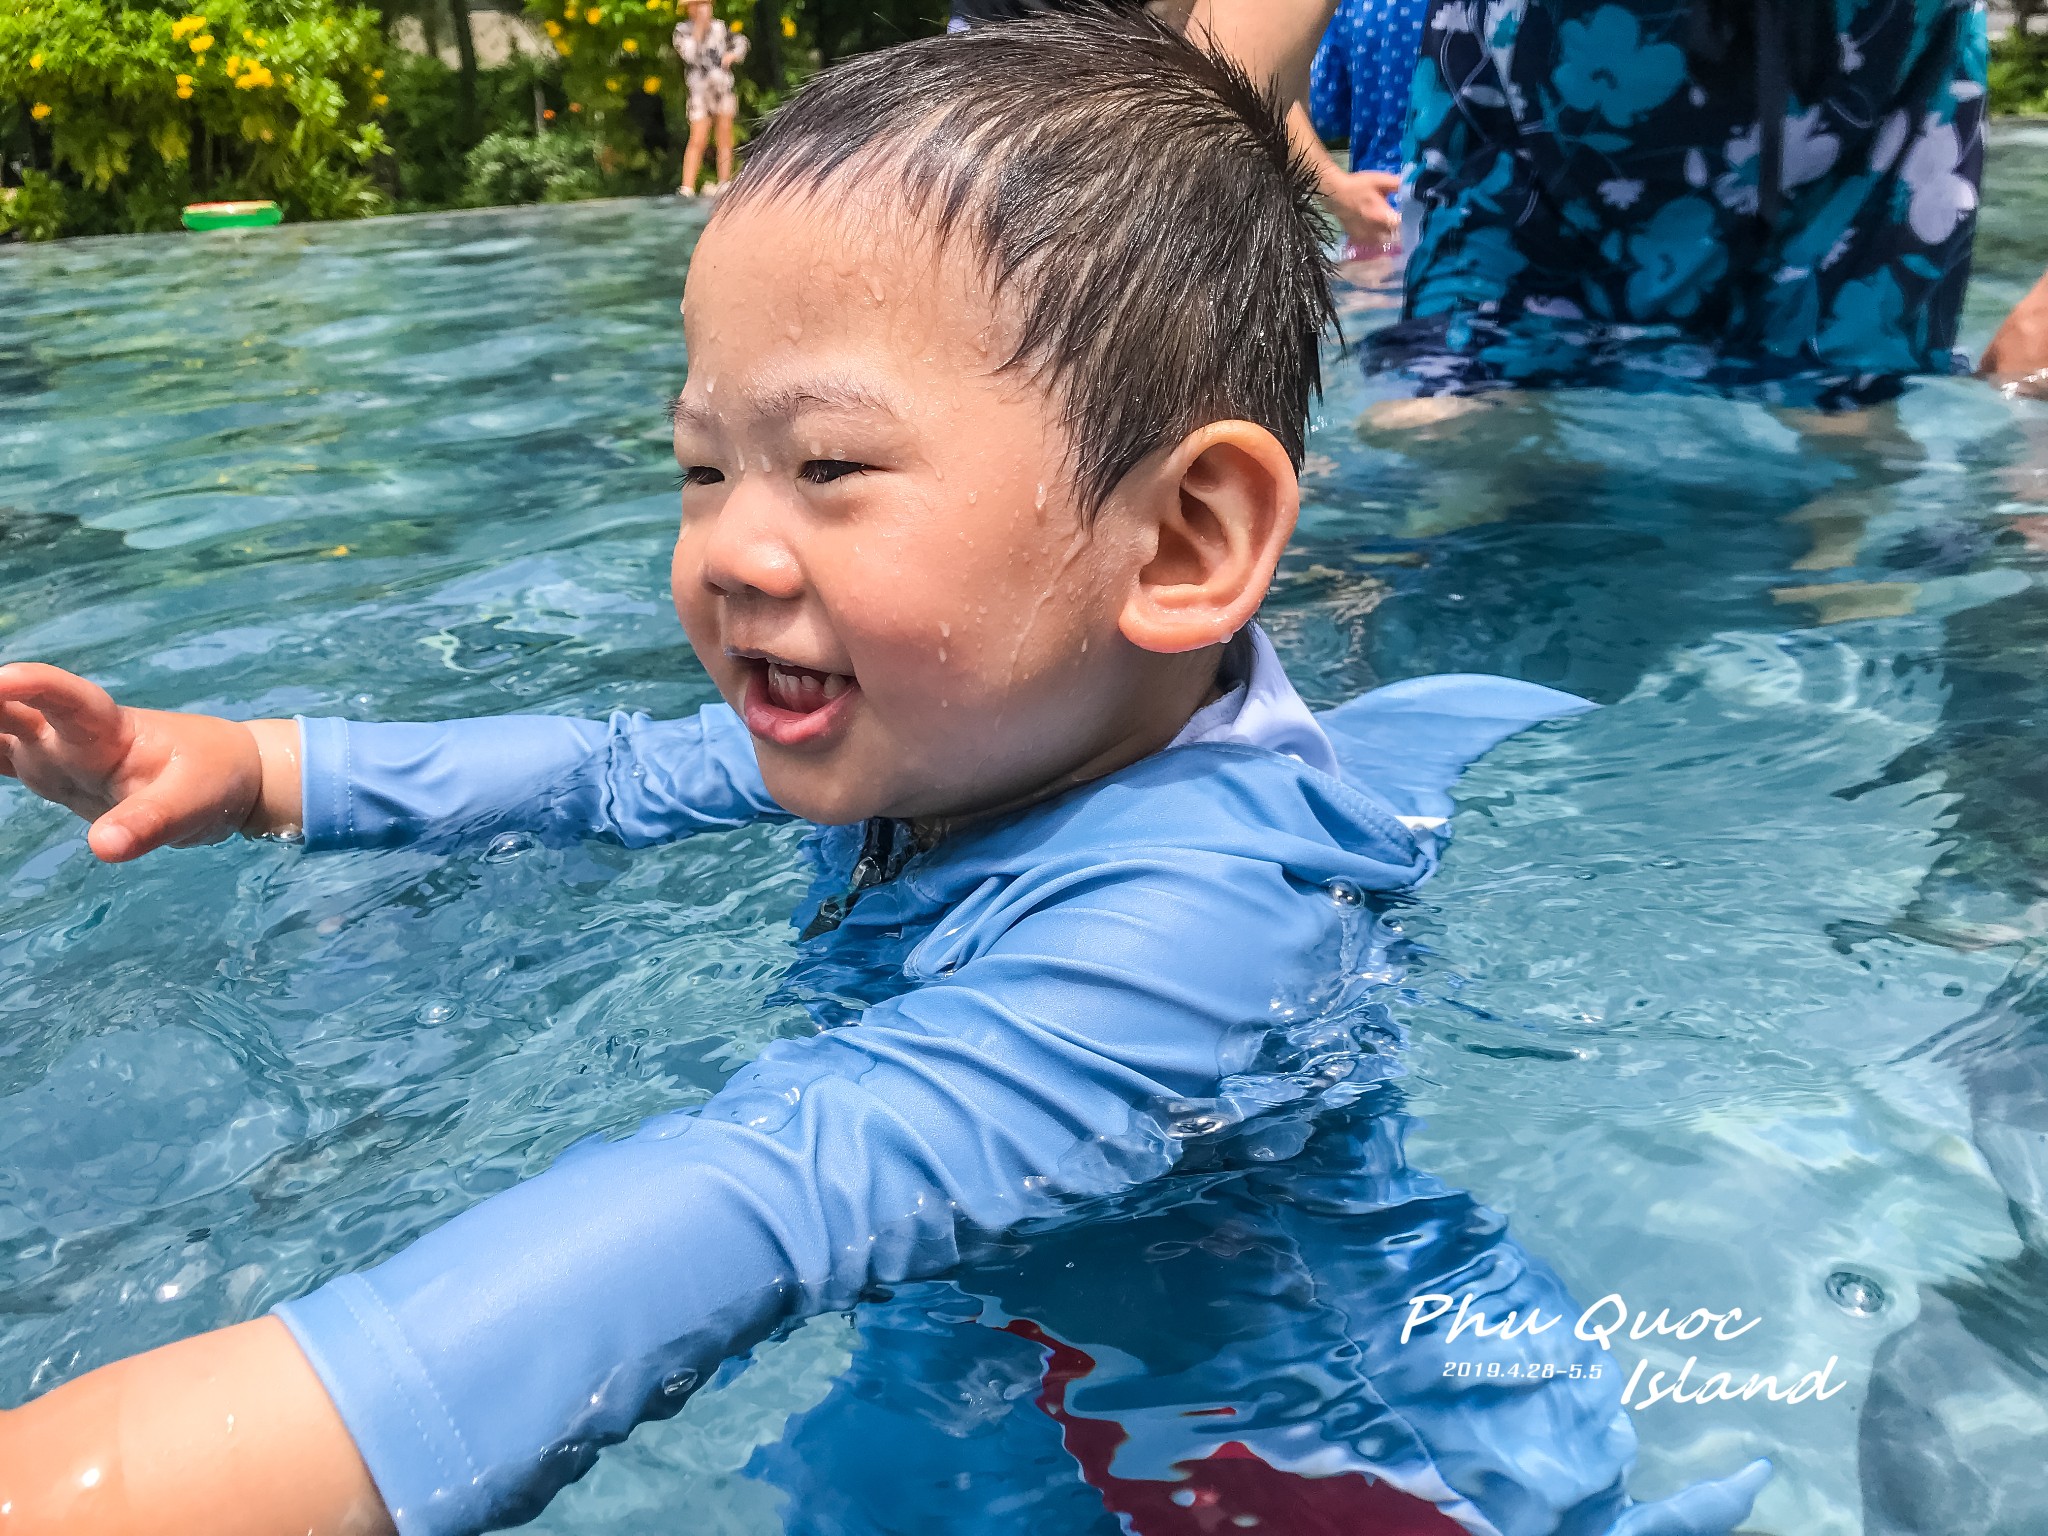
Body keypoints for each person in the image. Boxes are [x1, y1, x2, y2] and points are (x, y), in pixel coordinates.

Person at [0, 16, 1772, 1536]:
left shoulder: (1191, 926)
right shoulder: (955, 730)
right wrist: (248, 766)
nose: (729, 552)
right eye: (703, 469)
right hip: (1050, 1355)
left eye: (828, 464)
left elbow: (761, 1196)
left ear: (1180, 539)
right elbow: (613, 770)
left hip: (1305, 1452)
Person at [673, 0, 748, 197]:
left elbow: (741, 42)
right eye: (696, 5)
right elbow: (689, 55)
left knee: (724, 136)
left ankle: (724, 182)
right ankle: (687, 187)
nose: (701, 9)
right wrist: (699, 28)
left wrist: (732, 56)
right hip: (699, 91)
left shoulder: (721, 27)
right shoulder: (683, 30)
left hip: (722, 88)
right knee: (698, 137)